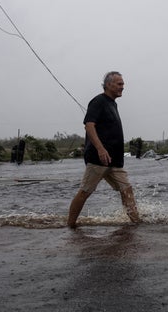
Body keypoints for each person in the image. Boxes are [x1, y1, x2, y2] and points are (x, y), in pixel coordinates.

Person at [67, 71, 140, 228]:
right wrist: (100, 149)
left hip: (114, 160)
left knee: (127, 189)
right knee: (85, 191)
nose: (123, 87)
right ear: (108, 85)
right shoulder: (98, 101)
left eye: (123, 84)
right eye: (119, 84)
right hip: (98, 159)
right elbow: (89, 125)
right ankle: (70, 225)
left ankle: (136, 224)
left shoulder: (113, 103)